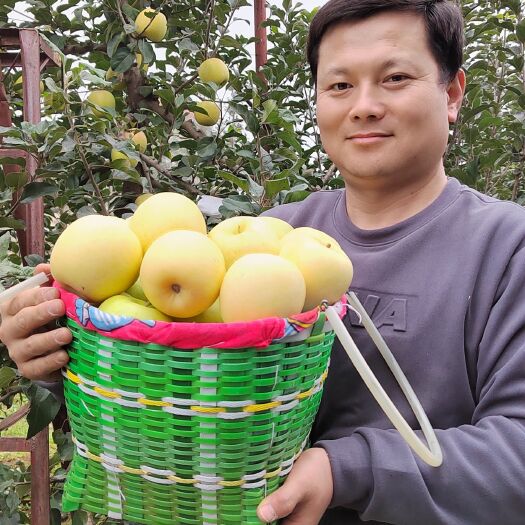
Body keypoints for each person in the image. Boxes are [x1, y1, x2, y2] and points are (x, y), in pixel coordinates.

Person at [1, 1, 525, 524]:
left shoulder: (506, 248)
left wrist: (346, 470)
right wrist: (61, 347)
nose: (363, 106)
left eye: (394, 78)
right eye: (339, 86)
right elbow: (182, 390)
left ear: (452, 93)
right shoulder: (270, 238)